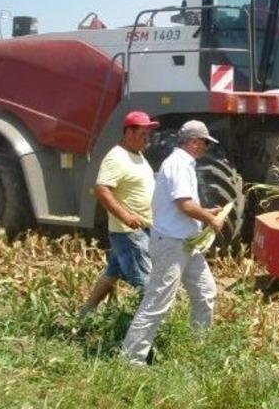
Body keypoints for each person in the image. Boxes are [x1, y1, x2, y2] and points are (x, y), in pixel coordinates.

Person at [121, 120, 224, 365]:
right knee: (158, 302)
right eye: (205, 143)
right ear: (194, 141)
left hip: (187, 242)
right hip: (171, 243)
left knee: (206, 293)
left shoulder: (183, 163)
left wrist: (207, 211)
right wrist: (211, 218)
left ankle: (195, 350)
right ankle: (130, 359)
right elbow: (184, 205)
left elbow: (185, 204)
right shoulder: (178, 163)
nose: (206, 148)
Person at [78, 110, 159, 317]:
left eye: (148, 134)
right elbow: (101, 190)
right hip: (128, 233)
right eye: (143, 134)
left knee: (112, 272)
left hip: (141, 229)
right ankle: (143, 333)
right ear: (129, 133)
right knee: (147, 285)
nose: (147, 139)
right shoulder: (116, 157)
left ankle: (86, 313)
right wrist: (126, 217)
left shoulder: (137, 155)